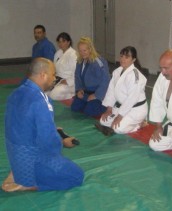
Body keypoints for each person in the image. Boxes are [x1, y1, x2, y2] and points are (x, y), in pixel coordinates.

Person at [2, 58, 84, 192]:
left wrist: (53, 129)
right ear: (43, 75)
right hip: (33, 158)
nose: (54, 78)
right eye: (53, 74)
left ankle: (18, 170)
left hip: (15, 153)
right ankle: (28, 183)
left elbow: (20, 125)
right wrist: (63, 142)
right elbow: (48, 141)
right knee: (76, 175)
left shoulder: (16, 93)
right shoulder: (41, 100)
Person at [95, 46, 148, 135]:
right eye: (121, 56)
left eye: (127, 57)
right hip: (122, 107)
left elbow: (132, 98)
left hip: (135, 109)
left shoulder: (135, 75)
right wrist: (109, 109)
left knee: (117, 128)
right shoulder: (117, 72)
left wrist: (120, 116)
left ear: (133, 59)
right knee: (103, 121)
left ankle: (139, 124)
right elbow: (111, 91)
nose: (123, 59)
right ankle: (126, 121)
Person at [71, 37, 110, 117]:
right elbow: (77, 77)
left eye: (85, 50)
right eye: (80, 51)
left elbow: (106, 80)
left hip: (99, 94)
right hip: (86, 92)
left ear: (90, 49)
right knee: (75, 107)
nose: (82, 53)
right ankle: (88, 103)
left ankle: (105, 105)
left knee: (89, 111)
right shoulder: (80, 61)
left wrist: (96, 95)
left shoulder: (99, 62)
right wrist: (79, 90)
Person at [47, 32, 77, 100]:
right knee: (45, 91)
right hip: (58, 79)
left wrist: (68, 81)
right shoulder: (58, 53)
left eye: (63, 41)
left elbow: (76, 72)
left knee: (53, 95)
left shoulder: (73, 54)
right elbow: (54, 68)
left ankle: (72, 94)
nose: (61, 44)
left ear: (69, 42)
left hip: (70, 82)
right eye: (59, 42)